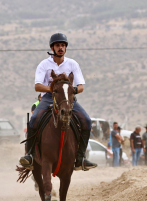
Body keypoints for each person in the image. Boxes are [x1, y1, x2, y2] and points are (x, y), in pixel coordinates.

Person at [19, 32, 97, 171]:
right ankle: (30, 155)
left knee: (87, 120)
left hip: (67, 98)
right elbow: (37, 86)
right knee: (34, 119)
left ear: (65, 48)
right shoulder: (44, 64)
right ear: (52, 48)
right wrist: (54, 89)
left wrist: (70, 90)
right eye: (57, 45)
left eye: (63, 45)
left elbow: (81, 87)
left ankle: (80, 158)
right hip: (49, 97)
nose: (60, 48)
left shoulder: (73, 64)